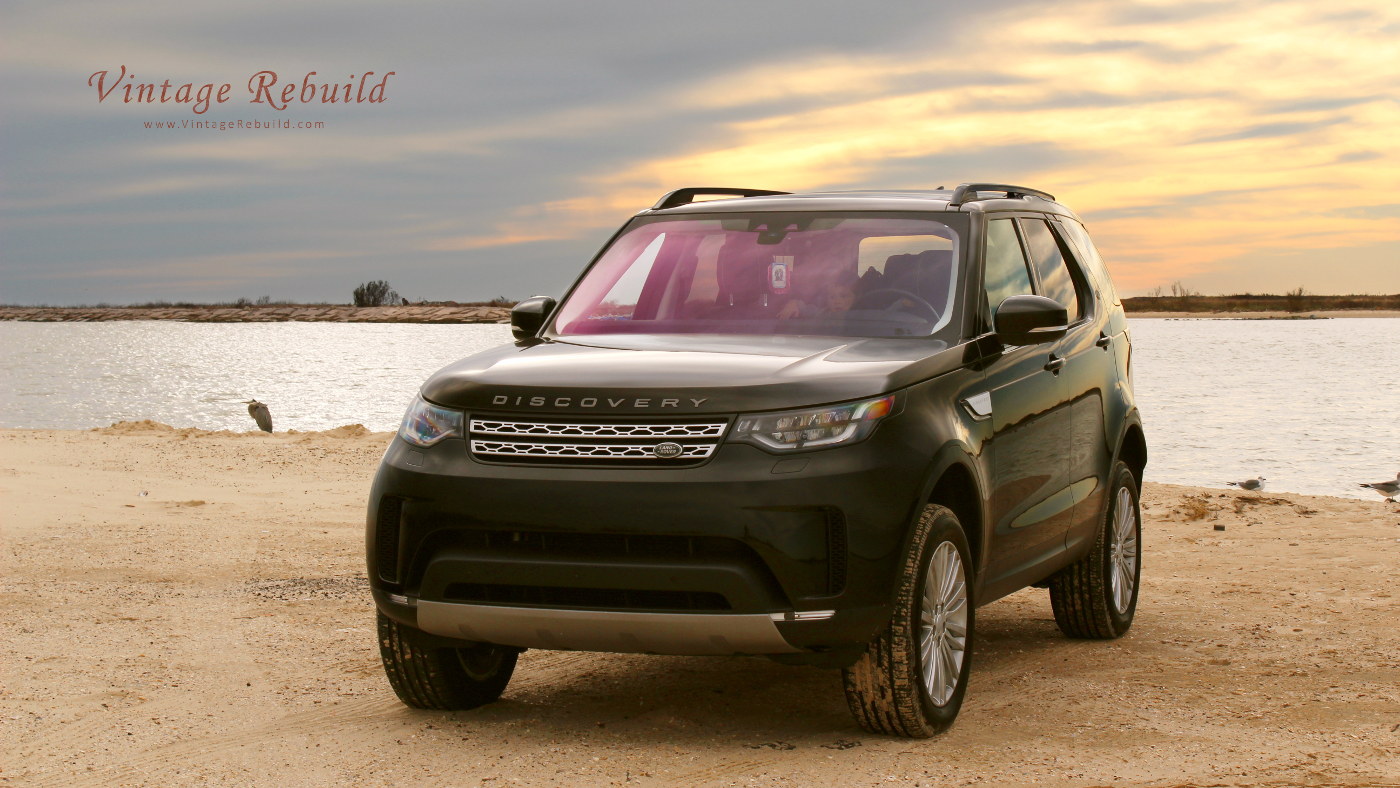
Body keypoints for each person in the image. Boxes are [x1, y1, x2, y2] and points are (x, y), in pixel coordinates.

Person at [777, 276, 856, 319]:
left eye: (843, 296)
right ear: (827, 300)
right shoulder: (822, 314)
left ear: (855, 298)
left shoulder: (858, 318)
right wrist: (794, 303)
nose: (837, 301)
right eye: (832, 297)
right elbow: (806, 309)